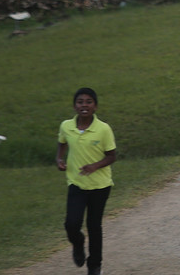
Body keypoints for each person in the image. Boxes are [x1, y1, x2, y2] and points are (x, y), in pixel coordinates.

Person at [56, 87, 117, 275]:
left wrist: (95, 166)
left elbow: (112, 156)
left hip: (100, 186)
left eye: (89, 102)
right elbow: (62, 142)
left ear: (95, 106)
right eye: (80, 102)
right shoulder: (66, 126)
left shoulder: (103, 129)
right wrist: (59, 158)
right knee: (71, 224)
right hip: (76, 183)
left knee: (94, 226)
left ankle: (94, 265)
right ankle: (78, 243)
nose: (84, 105)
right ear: (75, 106)